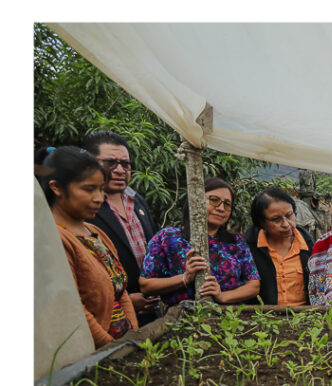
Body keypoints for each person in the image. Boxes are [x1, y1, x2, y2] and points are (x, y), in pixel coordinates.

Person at [38, 146, 138, 348]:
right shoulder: (53, 238)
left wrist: (135, 337)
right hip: (92, 352)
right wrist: (111, 350)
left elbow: (121, 291)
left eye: (101, 189)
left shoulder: (95, 232)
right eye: (88, 189)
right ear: (56, 187)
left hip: (123, 347)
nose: (99, 198)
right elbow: (74, 308)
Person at [81, 130, 161, 325]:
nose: (119, 170)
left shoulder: (138, 200)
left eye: (125, 164)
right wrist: (125, 300)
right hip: (110, 317)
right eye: (110, 163)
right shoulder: (85, 206)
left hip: (151, 311)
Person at [138, 177, 260, 305]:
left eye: (227, 204)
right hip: (182, 319)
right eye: (214, 200)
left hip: (229, 319)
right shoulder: (168, 238)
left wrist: (222, 296)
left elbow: (253, 285)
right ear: (196, 200)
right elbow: (146, 286)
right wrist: (184, 278)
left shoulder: (236, 242)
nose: (221, 208)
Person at [244, 187, 315, 306]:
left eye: (289, 215)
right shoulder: (248, 248)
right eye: (276, 220)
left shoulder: (309, 246)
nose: (286, 224)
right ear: (261, 222)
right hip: (263, 319)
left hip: (304, 318)